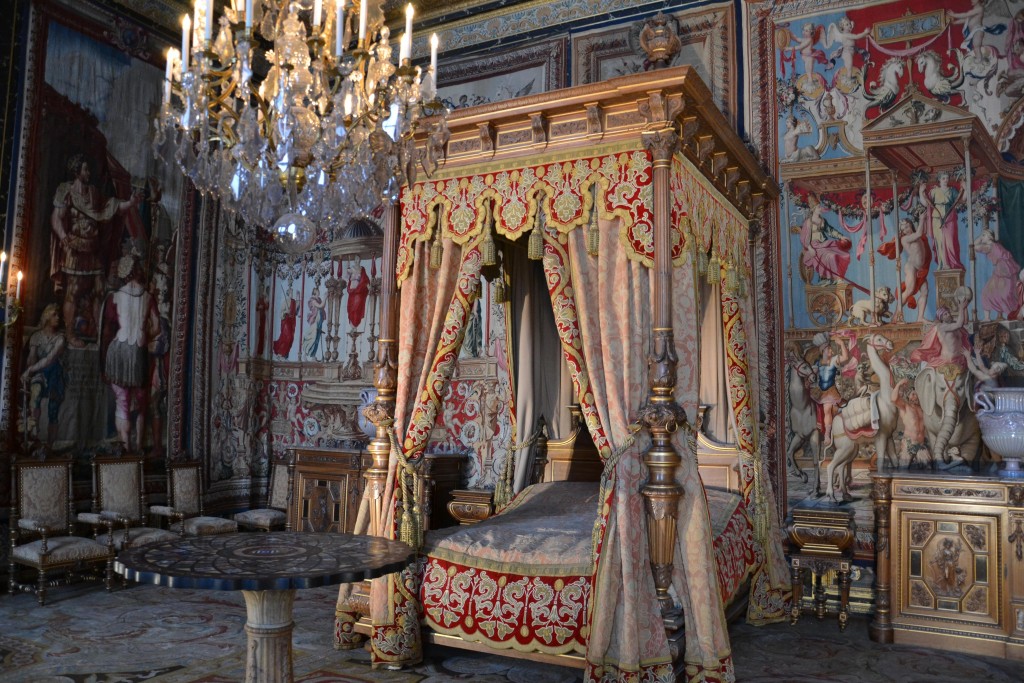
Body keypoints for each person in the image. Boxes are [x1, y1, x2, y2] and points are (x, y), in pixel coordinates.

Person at [51, 154, 141, 347]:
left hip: (92, 249)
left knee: (99, 290)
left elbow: (112, 207)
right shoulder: (65, 191)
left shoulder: (93, 192)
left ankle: (100, 333)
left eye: (89, 169)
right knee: (73, 292)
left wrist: (131, 202)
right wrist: (64, 238)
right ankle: (69, 334)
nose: (88, 173)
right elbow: (56, 218)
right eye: (85, 169)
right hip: (75, 250)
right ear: (77, 171)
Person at [101, 255, 161, 453]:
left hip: (118, 349)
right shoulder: (148, 297)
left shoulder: (114, 296)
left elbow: (108, 330)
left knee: (122, 400)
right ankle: (138, 447)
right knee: (142, 401)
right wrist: (145, 333)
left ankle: (125, 448)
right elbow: (157, 327)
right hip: (138, 350)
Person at [22, 303, 66, 446]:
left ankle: (49, 447)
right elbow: (33, 358)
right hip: (39, 373)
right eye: (54, 314)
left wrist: (30, 370)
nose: (57, 318)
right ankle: (34, 436)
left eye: (58, 315)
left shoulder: (60, 339)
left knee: (53, 411)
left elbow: (50, 359)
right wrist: (30, 362)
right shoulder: (36, 337)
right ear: (47, 316)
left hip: (54, 374)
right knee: (35, 396)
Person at [879, 215, 931, 322]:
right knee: (909, 290)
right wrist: (922, 219)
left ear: (911, 225)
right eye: (904, 228)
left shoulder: (917, 236)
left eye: (908, 226)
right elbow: (919, 233)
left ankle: (920, 317)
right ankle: (895, 317)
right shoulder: (905, 239)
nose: (907, 229)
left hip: (920, 270)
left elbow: (921, 234)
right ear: (902, 231)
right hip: (911, 267)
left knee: (925, 291)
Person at [800, 192, 851, 285]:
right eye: (819, 207)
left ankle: (836, 278)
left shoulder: (823, 220)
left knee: (834, 255)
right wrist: (810, 248)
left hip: (825, 244)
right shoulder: (808, 222)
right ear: (814, 209)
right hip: (815, 247)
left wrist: (841, 236)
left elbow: (830, 231)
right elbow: (804, 237)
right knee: (829, 256)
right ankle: (827, 278)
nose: (821, 209)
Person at [919, 172, 965, 271]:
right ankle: (943, 263)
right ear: (939, 180)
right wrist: (921, 191)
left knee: (950, 242)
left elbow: (962, 200)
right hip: (937, 218)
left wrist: (965, 187)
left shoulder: (952, 191)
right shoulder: (934, 191)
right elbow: (925, 203)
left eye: (947, 178)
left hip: (950, 218)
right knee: (939, 241)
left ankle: (953, 263)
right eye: (943, 178)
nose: (946, 180)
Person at [811, 331, 849, 447]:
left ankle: (830, 433)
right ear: (823, 351)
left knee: (831, 410)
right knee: (826, 410)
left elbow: (845, 357)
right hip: (821, 392)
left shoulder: (834, 360)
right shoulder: (817, 363)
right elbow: (812, 374)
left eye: (831, 349)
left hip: (831, 391)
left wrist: (841, 343)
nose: (831, 351)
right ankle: (826, 433)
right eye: (829, 349)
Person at [975, 229, 1021, 320]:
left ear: (989, 237)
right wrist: (982, 236)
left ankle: (988, 318)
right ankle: (992, 317)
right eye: (982, 236)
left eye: (984, 235)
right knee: (997, 293)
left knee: (991, 293)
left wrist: (979, 238)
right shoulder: (996, 245)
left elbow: (975, 247)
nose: (982, 237)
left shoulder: (990, 246)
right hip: (1006, 270)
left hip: (1003, 271)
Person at [892, 378, 930, 469]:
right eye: (913, 394)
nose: (915, 396)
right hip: (909, 444)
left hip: (921, 445)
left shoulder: (922, 409)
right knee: (903, 470)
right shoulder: (905, 407)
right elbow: (894, 399)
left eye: (916, 395)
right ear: (908, 396)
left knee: (928, 469)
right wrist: (899, 384)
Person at [273, 290, 299, 358]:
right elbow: (281, 312)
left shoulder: (293, 301)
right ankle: (280, 353)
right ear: (288, 294)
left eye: (292, 293)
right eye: (290, 293)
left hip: (292, 322)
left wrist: (298, 298)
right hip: (286, 321)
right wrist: (286, 312)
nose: (291, 294)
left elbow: (295, 312)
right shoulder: (285, 302)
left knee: (291, 338)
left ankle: (285, 355)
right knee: (287, 337)